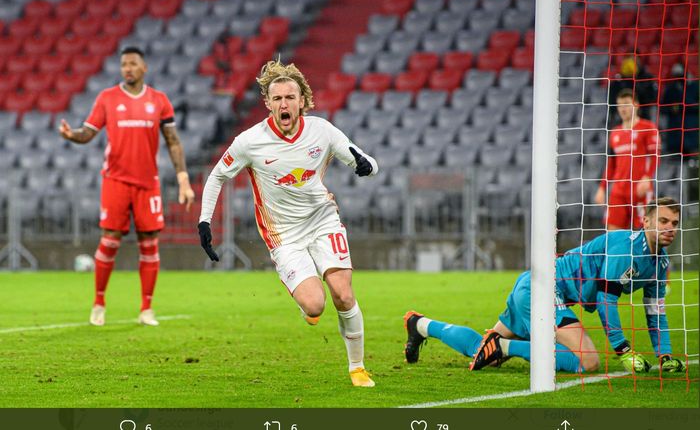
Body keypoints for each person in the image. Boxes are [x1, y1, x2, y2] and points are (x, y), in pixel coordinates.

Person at [197, 59, 379, 387]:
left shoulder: (322, 130)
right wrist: (204, 222)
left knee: (343, 294)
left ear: (302, 101)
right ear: (268, 103)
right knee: (315, 305)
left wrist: (366, 166)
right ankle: (303, 299)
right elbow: (216, 176)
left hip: (323, 221)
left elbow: (365, 160)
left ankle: (357, 367)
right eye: (277, 98)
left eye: (290, 98)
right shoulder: (250, 141)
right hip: (284, 235)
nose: (284, 104)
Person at [404, 197, 687, 375]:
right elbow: (605, 301)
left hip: (535, 286)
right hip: (544, 288)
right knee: (588, 361)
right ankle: (504, 347)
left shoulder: (659, 265)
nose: (669, 228)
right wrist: (623, 349)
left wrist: (664, 354)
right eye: (662, 221)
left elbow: (655, 312)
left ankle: (420, 325)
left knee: (482, 351)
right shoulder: (625, 247)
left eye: (674, 222)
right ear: (645, 220)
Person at [59, 46, 195, 327]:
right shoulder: (107, 98)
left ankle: (146, 309)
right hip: (116, 180)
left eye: (133, 63)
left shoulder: (159, 100)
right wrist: (72, 135)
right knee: (109, 240)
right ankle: (98, 303)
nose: (128, 68)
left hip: (148, 183)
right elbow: (89, 132)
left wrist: (183, 178)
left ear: (144, 68)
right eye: (124, 64)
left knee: (149, 243)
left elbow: (173, 140)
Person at [594, 89, 660, 230]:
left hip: (639, 189)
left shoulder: (648, 128)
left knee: (646, 232)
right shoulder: (614, 133)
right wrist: (602, 188)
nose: (622, 109)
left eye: (626, 104)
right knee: (612, 233)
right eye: (619, 105)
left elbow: (655, 156)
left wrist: (648, 178)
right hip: (618, 191)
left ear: (636, 105)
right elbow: (611, 164)